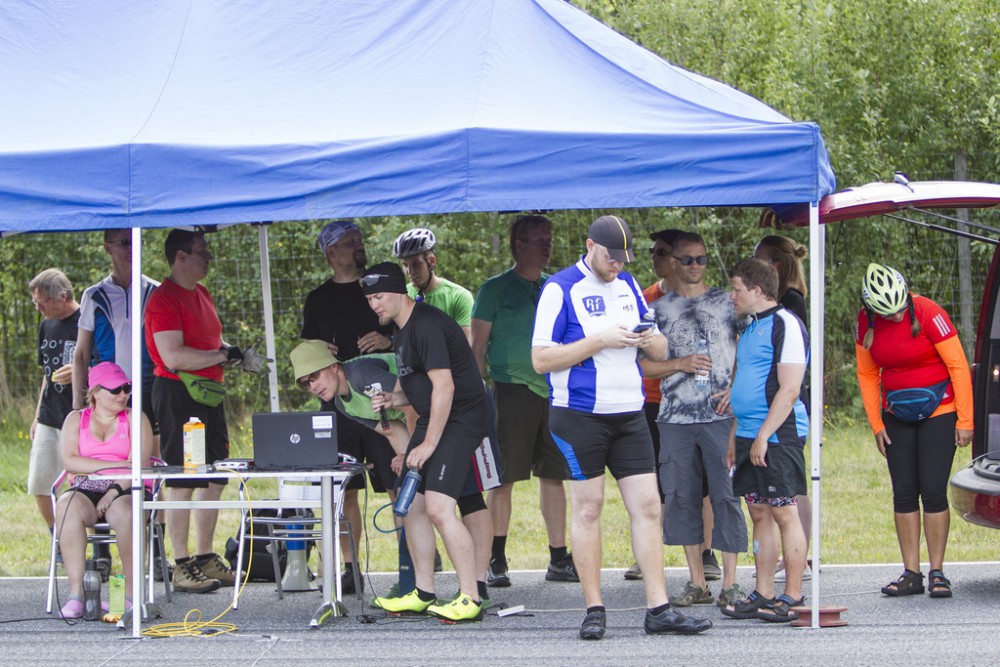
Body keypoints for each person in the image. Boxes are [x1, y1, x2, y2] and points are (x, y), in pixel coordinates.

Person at [531, 215, 712, 640]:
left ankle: (659, 608)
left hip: (629, 413)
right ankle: (594, 608)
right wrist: (599, 341)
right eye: (610, 258)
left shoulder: (627, 284)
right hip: (579, 414)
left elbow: (661, 346)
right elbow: (540, 360)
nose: (617, 265)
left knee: (649, 507)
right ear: (592, 246)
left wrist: (650, 340)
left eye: (622, 259)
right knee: (590, 507)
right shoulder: (560, 288)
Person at [363, 262, 489, 623]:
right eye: (369, 299)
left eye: (379, 296)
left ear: (399, 291)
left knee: (436, 507)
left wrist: (429, 443)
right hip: (439, 416)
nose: (374, 305)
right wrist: (392, 400)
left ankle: (469, 597)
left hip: (462, 417)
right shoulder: (402, 330)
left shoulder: (427, 325)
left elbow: (445, 387)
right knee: (411, 504)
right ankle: (423, 592)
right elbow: (416, 385)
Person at [640, 232, 747, 609]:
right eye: (686, 260)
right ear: (672, 262)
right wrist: (679, 364)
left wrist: (737, 387)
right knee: (681, 497)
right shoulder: (658, 310)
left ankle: (732, 582)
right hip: (674, 418)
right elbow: (644, 364)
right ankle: (696, 581)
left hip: (721, 416)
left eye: (700, 259)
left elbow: (753, 348)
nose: (695, 266)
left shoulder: (727, 302)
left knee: (727, 496)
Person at [470, 214, 575, 588]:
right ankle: (496, 559)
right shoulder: (494, 290)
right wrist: (475, 397)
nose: (547, 245)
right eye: (538, 240)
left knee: (555, 476)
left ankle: (559, 558)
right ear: (518, 245)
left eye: (549, 239)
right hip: (510, 391)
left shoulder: (554, 288)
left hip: (553, 392)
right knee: (502, 479)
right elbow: (477, 348)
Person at [855, 263, 972, 598]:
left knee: (933, 491)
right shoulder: (867, 322)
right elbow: (867, 374)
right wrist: (876, 424)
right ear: (871, 309)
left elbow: (958, 365)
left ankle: (937, 572)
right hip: (896, 415)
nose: (895, 318)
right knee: (904, 492)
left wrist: (965, 421)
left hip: (940, 410)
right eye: (886, 313)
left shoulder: (928, 311)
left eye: (899, 311)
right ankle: (911, 573)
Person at [145, 229, 247, 593]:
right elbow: (173, 357)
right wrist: (222, 355)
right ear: (180, 257)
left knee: (215, 475)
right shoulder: (163, 299)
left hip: (209, 394)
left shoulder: (201, 293)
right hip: (179, 396)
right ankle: (181, 563)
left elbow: (210, 341)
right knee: (185, 479)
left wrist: (232, 352)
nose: (209, 257)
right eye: (202, 252)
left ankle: (205, 557)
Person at [301, 219, 396, 594]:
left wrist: (387, 341)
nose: (359, 246)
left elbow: (409, 326)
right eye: (350, 242)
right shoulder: (318, 299)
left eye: (359, 240)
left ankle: (410, 560)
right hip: (338, 404)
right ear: (330, 253)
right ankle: (350, 566)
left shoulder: (378, 288)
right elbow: (307, 353)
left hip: (381, 398)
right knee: (344, 488)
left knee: (394, 478)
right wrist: (321, 353)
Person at [70, 229, 162, 578]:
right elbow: (80, 353)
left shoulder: (155, 290)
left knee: (149, 467)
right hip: (105, 394)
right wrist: (79, 403)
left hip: (148, 389)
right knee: (101, 465)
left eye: (135, 242)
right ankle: (103, 550)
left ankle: (153, 548)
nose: (130, 249)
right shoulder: (93, 295)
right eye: (123, 242)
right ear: (107, 247)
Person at [723, 258, 808, 623]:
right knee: (758, 510)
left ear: (757, 291)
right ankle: (763, 592)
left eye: (737, 289)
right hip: (747, 435)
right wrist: (734, 438)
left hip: (778, 434)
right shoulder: (749, 328)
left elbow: (789, 390)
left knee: (784, 511)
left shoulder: (785, 323)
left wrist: (764, 436)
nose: (732, 296)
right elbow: (740, 389)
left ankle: (792, 595)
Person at [53, 362, 153, 618]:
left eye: (127, 388)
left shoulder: (135, 418)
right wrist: (115, 463)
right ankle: (77, 593)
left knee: (125, 512)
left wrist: (112, 491)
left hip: (127, 485)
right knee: (65, 506)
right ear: (95, 392)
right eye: (115, 389)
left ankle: (130, 594)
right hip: (88, 485)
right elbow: (70, 461)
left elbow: (137, 466)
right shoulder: (75, 419)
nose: (123, 394)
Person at [752, 234, 813, 581]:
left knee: (791, 485)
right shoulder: (787, 297)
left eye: (761, 260)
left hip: (786, 401)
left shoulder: (790, 303)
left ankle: (799, 557)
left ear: (775, 265)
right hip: (774, 399)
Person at [28, 269, 80, 535]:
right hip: (49, 415)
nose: (38, 308)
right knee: (39, 483)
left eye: (42, 302)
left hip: (81, 417)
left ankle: (99, 549)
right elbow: (46, 375)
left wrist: (82, 371)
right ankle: (57, 537)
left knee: (85, 487)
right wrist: (37, 416)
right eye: (35, 303)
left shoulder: (87, 320)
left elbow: (108, 367)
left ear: (61, 296)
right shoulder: (46, 324)